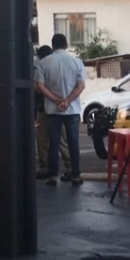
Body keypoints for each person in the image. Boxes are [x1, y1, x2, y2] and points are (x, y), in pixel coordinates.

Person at [34, 34, 85, 186]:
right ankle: (75, 175)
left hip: (52, 110)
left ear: (53, 45)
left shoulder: (44, 63)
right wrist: (67, 101)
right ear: (66, 45)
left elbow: (40, 86)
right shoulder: (77, 62)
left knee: (53, 143)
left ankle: (52, 176)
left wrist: (56, 100)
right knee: (73, 142)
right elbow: (81, 86)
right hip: (72, 109)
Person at [33, 46, 72, 179]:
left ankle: (45, 168)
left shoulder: (41, 66)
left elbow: (37, 87)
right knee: (61, 140)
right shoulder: (60, 67)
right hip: (59, 108)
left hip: (43, 108)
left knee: (43, 140)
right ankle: (70, 167)